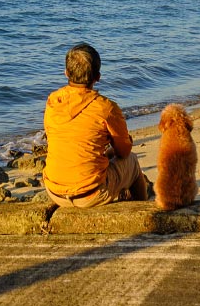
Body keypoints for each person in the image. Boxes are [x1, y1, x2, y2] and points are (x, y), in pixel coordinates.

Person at [42, 43, 151, 207]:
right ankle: (144, 211)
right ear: (98, 77)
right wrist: (121, 144)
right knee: (132, 162)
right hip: (89, 195)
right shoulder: (106, 108)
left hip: (54, 191)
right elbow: (124, 151)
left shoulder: (53, 101)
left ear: (66, 73)